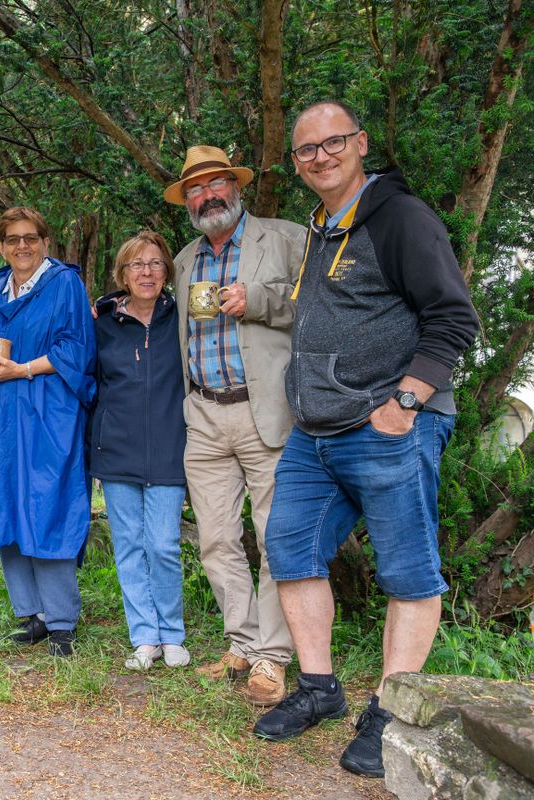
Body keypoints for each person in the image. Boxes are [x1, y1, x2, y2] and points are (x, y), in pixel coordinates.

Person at [254, 100, 478, 778]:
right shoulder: (323, 228)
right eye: (305, 150)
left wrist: (407, 400)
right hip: (315, 431)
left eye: (333, 143)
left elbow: (453, 316)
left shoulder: (402, 219)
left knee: (407, 571)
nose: (319, 157)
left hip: (389, 424)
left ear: (361, 143)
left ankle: (389, 708)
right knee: (290, 549)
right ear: (295, 162)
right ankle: (320, 688)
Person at [165, 145, 305, 705]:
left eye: (216, 182)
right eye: (196, 189)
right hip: (202, 412)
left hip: (265, 408)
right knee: (217, 539)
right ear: (187, 201)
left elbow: (321, 305)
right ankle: (241, 643)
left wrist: (260, 300)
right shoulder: (182, 260)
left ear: (236, 186)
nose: (208, 195)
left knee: (276, 538)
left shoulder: (286, 237)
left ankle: (273, 656)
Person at [0, 207, 95, 658]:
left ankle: (63, 622)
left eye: (30, 238)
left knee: (46, 503)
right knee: (6, 504)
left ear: (45, 242)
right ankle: (32, 614)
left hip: (46, 409)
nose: (22, 247)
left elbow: (77, 348)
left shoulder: (64, 284)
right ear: (1, 246)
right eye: (12, 239)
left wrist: (23, 369)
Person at [91, 231, 189, 671]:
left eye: (154, 263)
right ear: (122, 274)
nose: (146, 272)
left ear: (167, 271)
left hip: (171, 444)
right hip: (117, 448)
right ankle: (144, 637)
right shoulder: (103, 322)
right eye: (136, 265)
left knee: (164, 544)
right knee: (128, 545)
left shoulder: (183, 315)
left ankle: (172, 634)